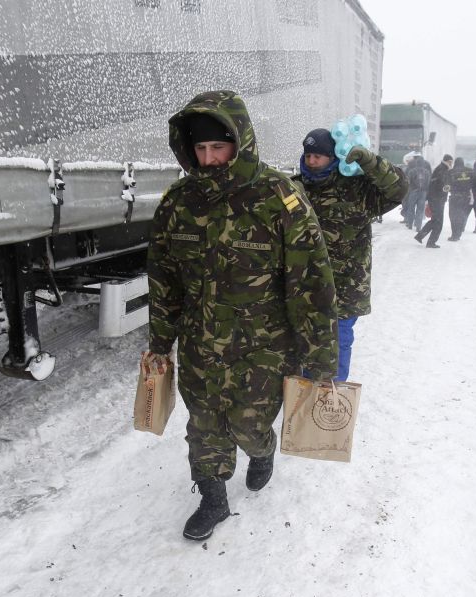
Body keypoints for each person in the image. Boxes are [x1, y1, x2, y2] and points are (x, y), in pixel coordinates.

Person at [146, 91, 339, 541]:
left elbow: (310, 283)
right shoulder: (178, 203)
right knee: (205, 424)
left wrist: (320, 357)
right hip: (200, 344)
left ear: (240, 141)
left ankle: (263, 449)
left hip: (264, 349)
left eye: (219, 147)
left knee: (249, 424)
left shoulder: (280, 199)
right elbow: (164, 278)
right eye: (201, 149)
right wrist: (160, 342)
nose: (210, 159)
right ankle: (213, 497)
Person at [293, 127, 407, 382]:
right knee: (303, 346)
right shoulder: (294, 189)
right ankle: (302, 403)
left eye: (318, 156)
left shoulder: (357, 190)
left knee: (337, 345)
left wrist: (370, 162)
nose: (312, 161)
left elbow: (399, 190)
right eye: (308, 155)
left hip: (344, 289)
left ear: (333, 157)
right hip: (303, 288)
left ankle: (329, 406)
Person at [414, 154, 454, 248]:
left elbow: (437, 184)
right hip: (437, 199)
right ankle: (431, 242)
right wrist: (447, 187)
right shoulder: (442, 170)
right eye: (451, 162)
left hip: (435, 198)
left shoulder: (441, 169)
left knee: (435, 220)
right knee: (438, 222)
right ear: (447, 161)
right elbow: (441, 185)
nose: (451, 164)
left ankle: (420, 236)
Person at [446, 157, 474, 241]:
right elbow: (474, 183)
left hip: (455, 197)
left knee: (453, 216)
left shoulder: (451, 172)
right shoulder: (470, 171)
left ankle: (454, 234)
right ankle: (459, 232)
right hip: (466, 197)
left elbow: (447, 185)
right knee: (462, 215)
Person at [403, 155, 431, 230]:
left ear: (417, 163)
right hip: (423, 193)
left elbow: (408, 182)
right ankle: (418, 226)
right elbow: (428, 184)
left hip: (413, 192)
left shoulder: (412, 171)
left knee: (411, 208)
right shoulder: (427, 172)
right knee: (420, 209)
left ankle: (410, 224)